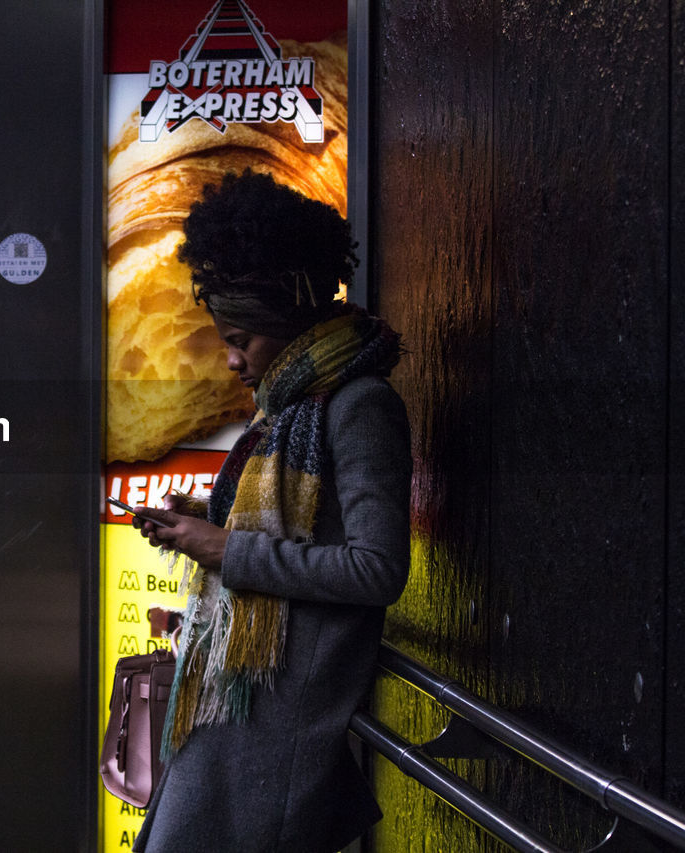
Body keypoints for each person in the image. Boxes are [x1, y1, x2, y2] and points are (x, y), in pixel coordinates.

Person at [127, 170, 412, 852]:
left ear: (288, 323)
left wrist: (226, 548)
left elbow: (377, 568)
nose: (230, 359)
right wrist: (197, 517)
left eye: (241, 338)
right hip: (241, 709)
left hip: (275, 728)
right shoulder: (290, 408)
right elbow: (300, 525)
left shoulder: (358, 405)